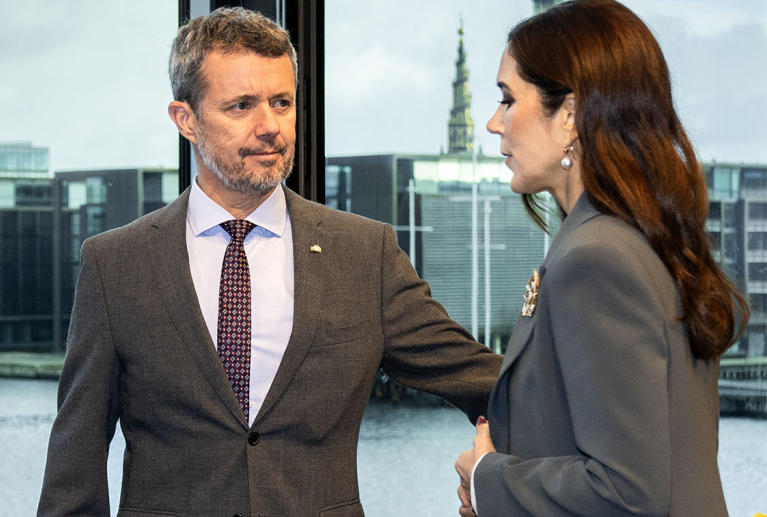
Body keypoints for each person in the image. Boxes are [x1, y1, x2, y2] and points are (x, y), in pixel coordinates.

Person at [37, 7, 501, 516]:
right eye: (241, 106)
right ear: (185, 119)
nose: (270, 127)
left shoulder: (365, 255)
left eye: (282, 102)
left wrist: (529, 484)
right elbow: (75, 465)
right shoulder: (116, 264)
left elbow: (488, 385)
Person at [453, 1, 749, 515]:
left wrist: (488, 481)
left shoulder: (595, 260)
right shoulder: (642, 238)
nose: (493, 123)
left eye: (507, 100)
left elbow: (625, 490)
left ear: (569, 115)